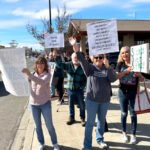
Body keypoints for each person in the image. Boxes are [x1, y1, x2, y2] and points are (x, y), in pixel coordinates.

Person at [71, 38, 118, 150]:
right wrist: (75, 47)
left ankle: (100, 140)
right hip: (91, 100)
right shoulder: (90, 68)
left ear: (104, 58)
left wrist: (108, 66)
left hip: (105, 101)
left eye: (100, 57)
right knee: (90, 123)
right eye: (96, 57)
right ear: (93, 58)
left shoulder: (108, 69)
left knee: (101, 122)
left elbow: (113, 79)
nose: (98, 59)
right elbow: (82, 60)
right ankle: (87, 145)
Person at [22, 56, 60, 150]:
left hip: (45, 104)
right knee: (37, 125)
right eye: (38, 63)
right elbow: (26, 82)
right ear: (36, 65)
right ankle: (41, 143)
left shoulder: (48, 75)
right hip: (33, 104)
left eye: (42, 63)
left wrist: (29, 75)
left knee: (49, 125)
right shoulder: (33, 74)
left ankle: (55, 143)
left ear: (45, 65)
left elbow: (41, 82)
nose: (40, 65)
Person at [116, 46, 143, 144]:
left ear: (130, 53)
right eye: (122, 53)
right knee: (124, 113)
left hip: (133, 92)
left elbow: (143, 79)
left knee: (133, 114)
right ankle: (124, 133)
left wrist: (139, 75)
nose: (125, 54)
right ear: (121, 55)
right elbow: (117, 76)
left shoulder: (137, 63)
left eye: (126, 52)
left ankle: (133, 134)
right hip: (122, 92)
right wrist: (126, 71)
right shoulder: (119, 64)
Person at [55, 52, 86, 126]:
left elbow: (85, 78)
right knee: (70, 104)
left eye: (77, 57)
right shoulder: (68, 65)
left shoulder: (83, 66)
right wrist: (57, 56)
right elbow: (59, 64)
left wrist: (82, 86)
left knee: (81, 104)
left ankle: (82, 118)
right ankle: (71, 118)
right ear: (71, 58)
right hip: (70, 89)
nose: (76, 59)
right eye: (74, 57)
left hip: (79, 89)